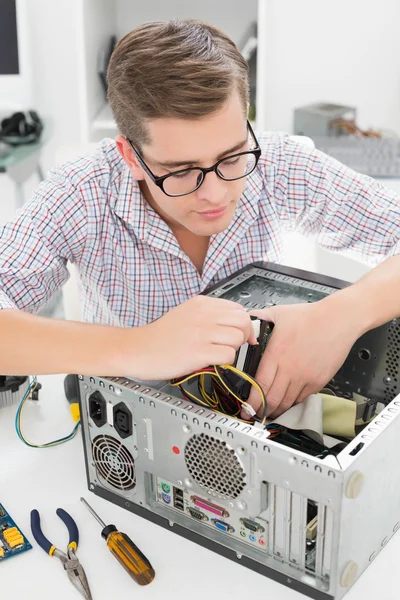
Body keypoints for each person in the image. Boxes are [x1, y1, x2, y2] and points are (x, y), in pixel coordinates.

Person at [0, 19, 399, 421]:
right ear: (130, 157)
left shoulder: (281, 165)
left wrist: (339, 316)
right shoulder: (82, 192)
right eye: (180, 171)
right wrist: (139, 347)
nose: (215, 194)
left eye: (231, 157)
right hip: (134, 430)